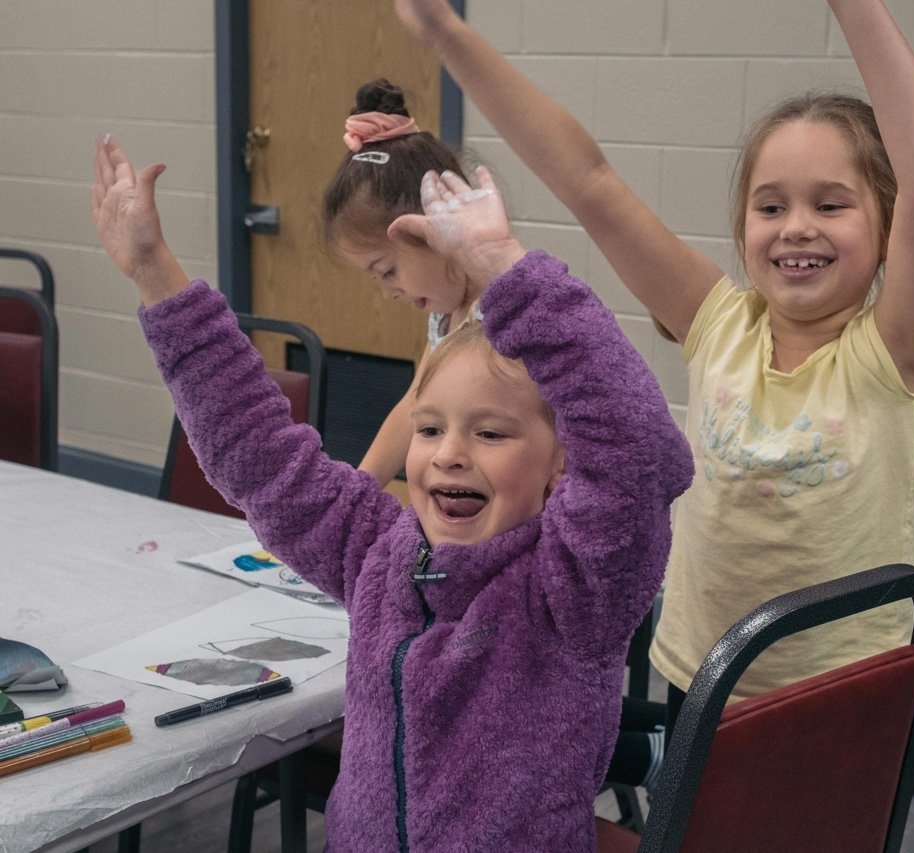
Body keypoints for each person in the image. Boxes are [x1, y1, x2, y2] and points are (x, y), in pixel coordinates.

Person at [91, 135, 693, 851]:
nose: (448, 454)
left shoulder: (575, 590)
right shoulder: (379, 555)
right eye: (430, 428)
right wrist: (154, 272)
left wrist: (504, 266)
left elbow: (641, 452)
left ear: (561, 468)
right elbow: (259, 454)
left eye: (490, 434)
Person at [395, 0, 914, 730]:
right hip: (705, 676)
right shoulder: (718, 322)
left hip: (839, 697)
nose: (796, 227)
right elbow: (590, 182)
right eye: (770, 207)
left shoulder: (889, 352)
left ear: (886, 228)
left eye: (831, 206)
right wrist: (447, 35)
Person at [322, 77, 486, 489]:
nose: (388, 292)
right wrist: (356, 491)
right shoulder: (447, 316)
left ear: (431, 231)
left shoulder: (501, 315)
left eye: (388, 270)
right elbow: (415, 403)